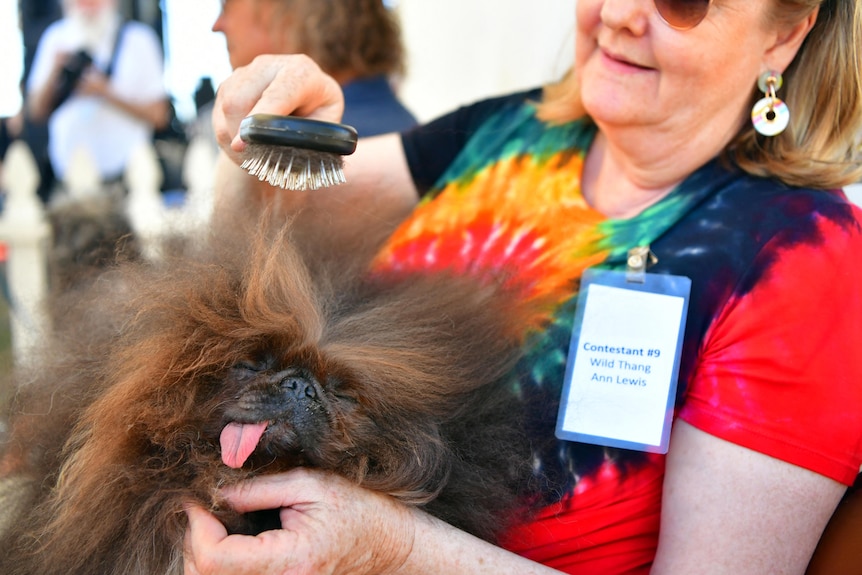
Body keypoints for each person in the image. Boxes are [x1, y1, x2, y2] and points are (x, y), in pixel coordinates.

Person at [186, 0, 862, 573]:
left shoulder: (803, 257)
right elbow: (264, 226)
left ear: (785, 31)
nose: (621, 13)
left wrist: (391, 548)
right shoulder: (517, 131)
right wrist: (275, 123)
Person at [212, 0, 417, 138]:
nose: (217, 25)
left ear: (279, 10)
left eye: (226, 5)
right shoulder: (399, 125)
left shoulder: (342, 144)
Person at [25, 0, 169, 192]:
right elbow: (35, 112)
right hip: (68, 181)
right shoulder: (55, 38)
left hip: (127, 180)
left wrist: (105, 92)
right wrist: (56, 70)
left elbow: (160, 116)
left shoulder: (138, 39)